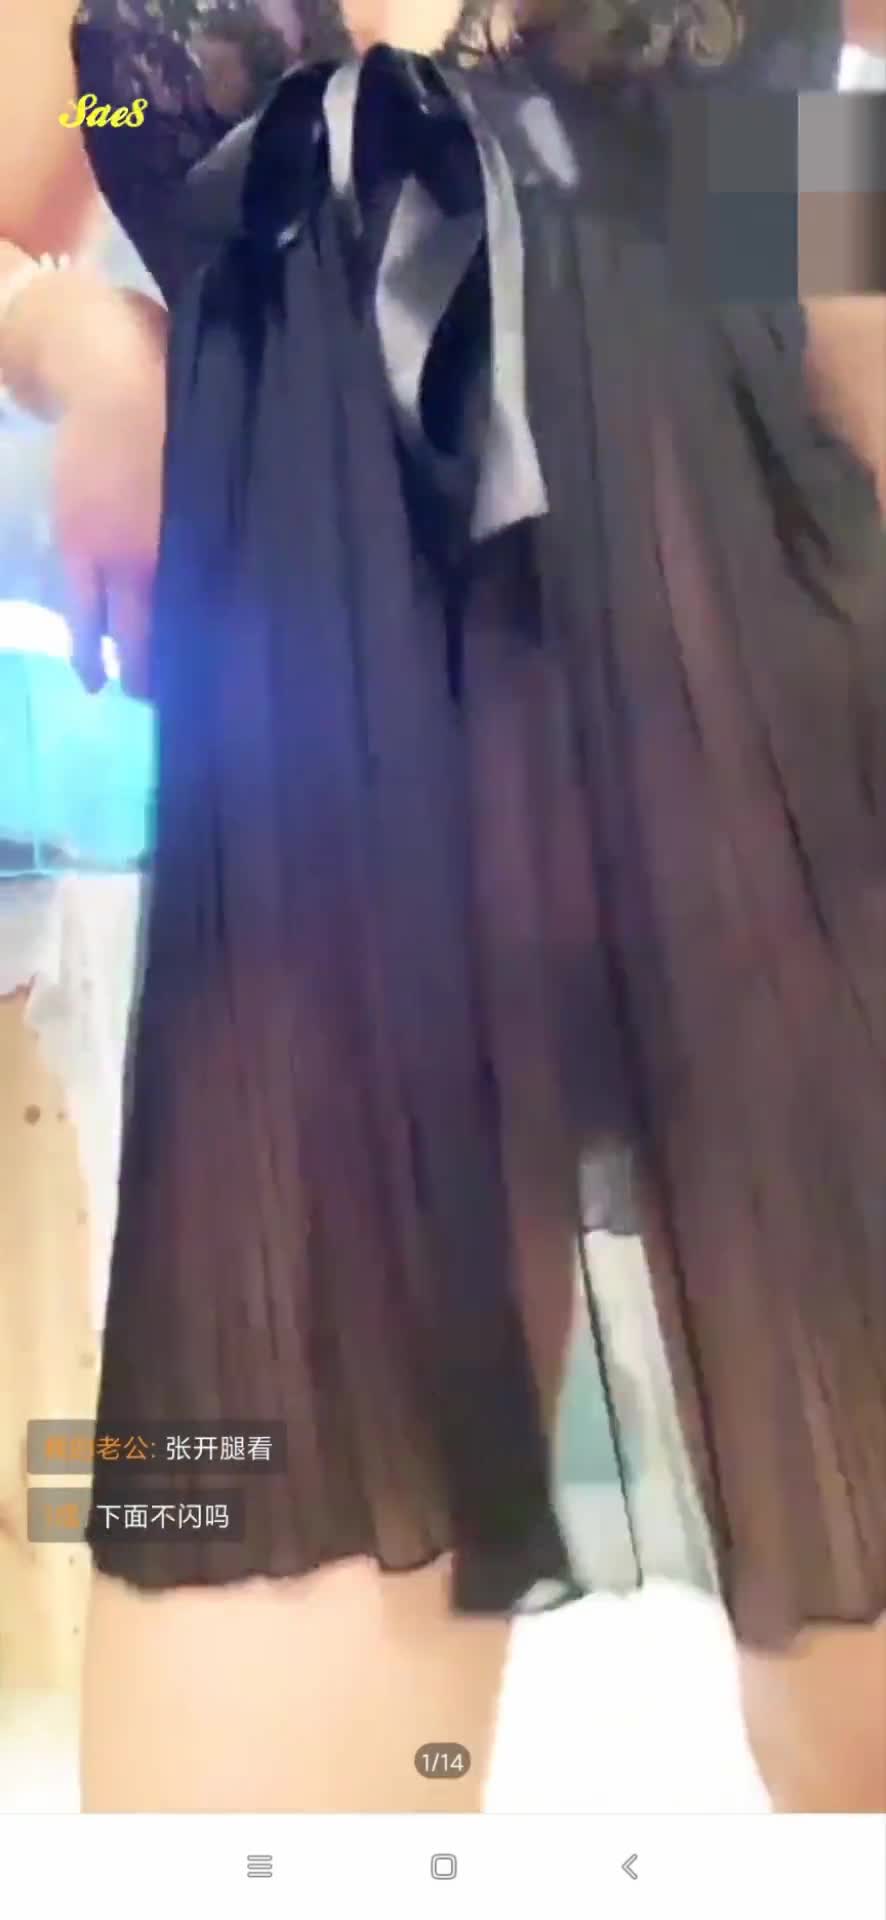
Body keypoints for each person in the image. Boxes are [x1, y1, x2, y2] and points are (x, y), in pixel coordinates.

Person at [1, 0, 884, 1816]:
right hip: (319, 898)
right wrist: (73, 343)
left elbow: (808, 208)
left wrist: (791, 204)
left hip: (791, 809)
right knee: (231, 1834)